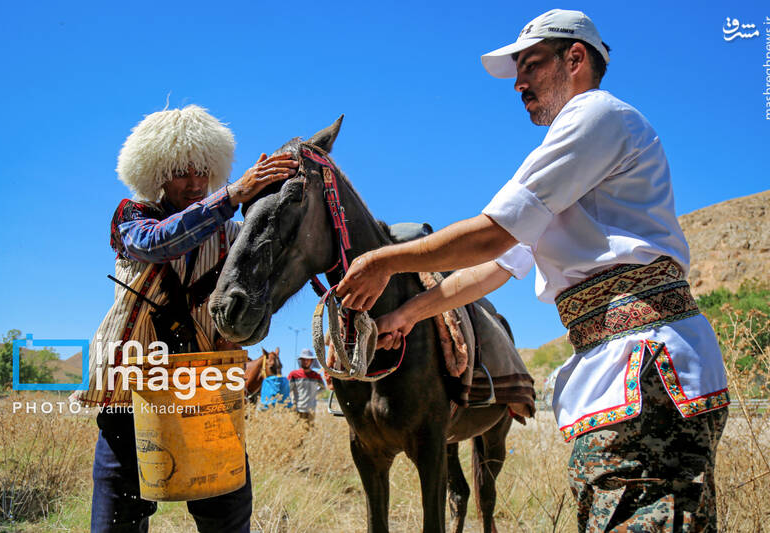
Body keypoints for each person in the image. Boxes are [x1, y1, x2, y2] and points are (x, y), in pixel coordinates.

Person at [335, 9, 729, 532]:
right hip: (622, 368)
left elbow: (492, 234)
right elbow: (493, 268)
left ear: (576, 58)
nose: (519, 83)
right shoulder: (572, 155)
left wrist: (384, 260)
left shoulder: (596, 117)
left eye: (531, 65)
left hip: (645, 365)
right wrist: (406, 315)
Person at [73, 104, 298, 533]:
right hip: (133, 391)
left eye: (203, 172)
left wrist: (274, 195)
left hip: (207, 392)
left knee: (227, 519)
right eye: (181, 172)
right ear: (157, 173)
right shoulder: (132, 216)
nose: (195, 183)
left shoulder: (234, 236)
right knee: (117, 522)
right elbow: (156, 243)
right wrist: (232, 195)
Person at [287, 349, 325, 425]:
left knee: (309, 429)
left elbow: (323, 388)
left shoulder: (316, 376)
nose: (306, 361)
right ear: (300, 360)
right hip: (297, 409)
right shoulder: (294, 374)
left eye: (308, 359)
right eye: (303, 359)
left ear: (312, 361)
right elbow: (288, 389)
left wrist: (314, 394)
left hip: (311, 409)